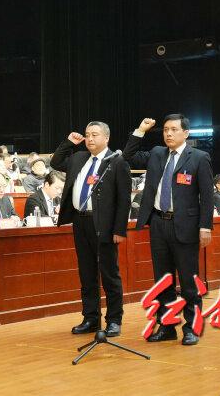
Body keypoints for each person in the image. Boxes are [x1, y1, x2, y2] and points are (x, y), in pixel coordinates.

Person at [122, 114, 214, 345]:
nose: (169, 134)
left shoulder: (199, 158)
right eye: (165, 130)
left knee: (189, 281)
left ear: (186, 133)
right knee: (163, 280)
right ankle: (167, 326)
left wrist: (205, 226)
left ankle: (191, 327)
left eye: (174, 129)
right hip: (158, 223)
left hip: (186, 225)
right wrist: (141, 130)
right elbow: (128, 156)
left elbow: (207, 196)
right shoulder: (157, 153)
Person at [51, 121, 131, 337]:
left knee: (109, 274)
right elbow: (56, 162)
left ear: (106, 138)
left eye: (95, 134)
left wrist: (119, 230)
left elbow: (124, 200)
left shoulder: (116, 161)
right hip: (80, 221)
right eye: (87, 135)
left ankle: (114, 320)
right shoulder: (79, 158)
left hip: (104, 224)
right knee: (86, 273)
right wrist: (69, 143)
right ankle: (91, 318)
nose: (90, 139)